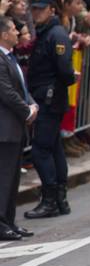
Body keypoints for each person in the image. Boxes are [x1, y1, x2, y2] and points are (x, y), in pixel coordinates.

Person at [25, 0, 75, 221]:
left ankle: (51, 199)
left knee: (41, 149)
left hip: (49, 97)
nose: (36, 13)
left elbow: (65, 70)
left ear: (51, 10)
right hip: (46, 94)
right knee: (53, 147)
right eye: (34, 8)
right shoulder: (47, 32)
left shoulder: (56, 34)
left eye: (40, 8)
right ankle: (59, 199)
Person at [0, 13, 37, 241]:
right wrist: (26, 111)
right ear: (3, 34)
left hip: (16, 127)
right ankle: (1, 222)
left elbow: (21, 88)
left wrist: (32, 104)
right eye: (14, 29)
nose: (17, 32)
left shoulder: (11, 58)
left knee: (13, 178)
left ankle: (10, 221)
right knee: (3, 178)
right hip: (5, 128)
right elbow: (6, 92)